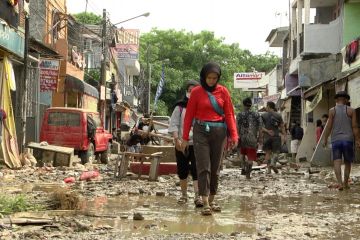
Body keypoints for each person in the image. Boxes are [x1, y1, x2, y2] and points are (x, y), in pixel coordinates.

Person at [180, 62, 238, 216]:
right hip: (200, 131)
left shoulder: (223, 91)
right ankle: (205, 200)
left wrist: (234, 135)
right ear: (203, 77)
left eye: (214, 78)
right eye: (209, 78)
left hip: (219, 132)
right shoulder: (196, 92)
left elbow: (230, 114)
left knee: (216, 167)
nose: (211, 81)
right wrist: (185, 138)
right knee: (203, 166)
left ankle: (212, 198)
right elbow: (189, 117)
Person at [168, 80, 203, 207]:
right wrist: (177, 139)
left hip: (197, 144)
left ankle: (197, 196)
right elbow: (174, 124)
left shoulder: (202, 107)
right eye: (189, 91)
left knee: (196, 169)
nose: (191, 93)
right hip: (181, 143)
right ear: (186, 92)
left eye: (194, 91)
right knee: (182, 169)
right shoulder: (180, 107)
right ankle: (183, 195)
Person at [323, 91, 360, 190]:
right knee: (348, 162)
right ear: (346, 100)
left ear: (336, 100)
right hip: (348, 140)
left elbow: (329, 127)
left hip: (336, 140)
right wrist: (357, 140)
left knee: (337, 162)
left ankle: (339, 184)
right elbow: (355, 127)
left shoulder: (332, 110)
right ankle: (345, 183)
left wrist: (325, 139)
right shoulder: (351, 110)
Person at [237, 97, 263, 179]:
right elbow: (260, 128)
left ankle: (243, 167)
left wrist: (237, 137)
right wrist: (260, 138)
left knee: (242, 154)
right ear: (251, 105)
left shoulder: (240, 115)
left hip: (242, 137)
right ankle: (248, 173)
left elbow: (237, 127)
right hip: (252, 138)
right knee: (251, 157)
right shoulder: (257, 114)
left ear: (243, 104)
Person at [261, 101, 286, 174]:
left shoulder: (263, 115)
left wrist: (267, 131)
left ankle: (269, 170)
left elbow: (260, 127)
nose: (266, 107)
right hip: (276, 136)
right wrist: (284, 136)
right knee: (276, 152)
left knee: (268, 153)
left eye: (266, 106)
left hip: (266, 137)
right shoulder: (278, 115)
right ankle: (273, 163)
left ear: (268, 106)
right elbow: (282, 126)